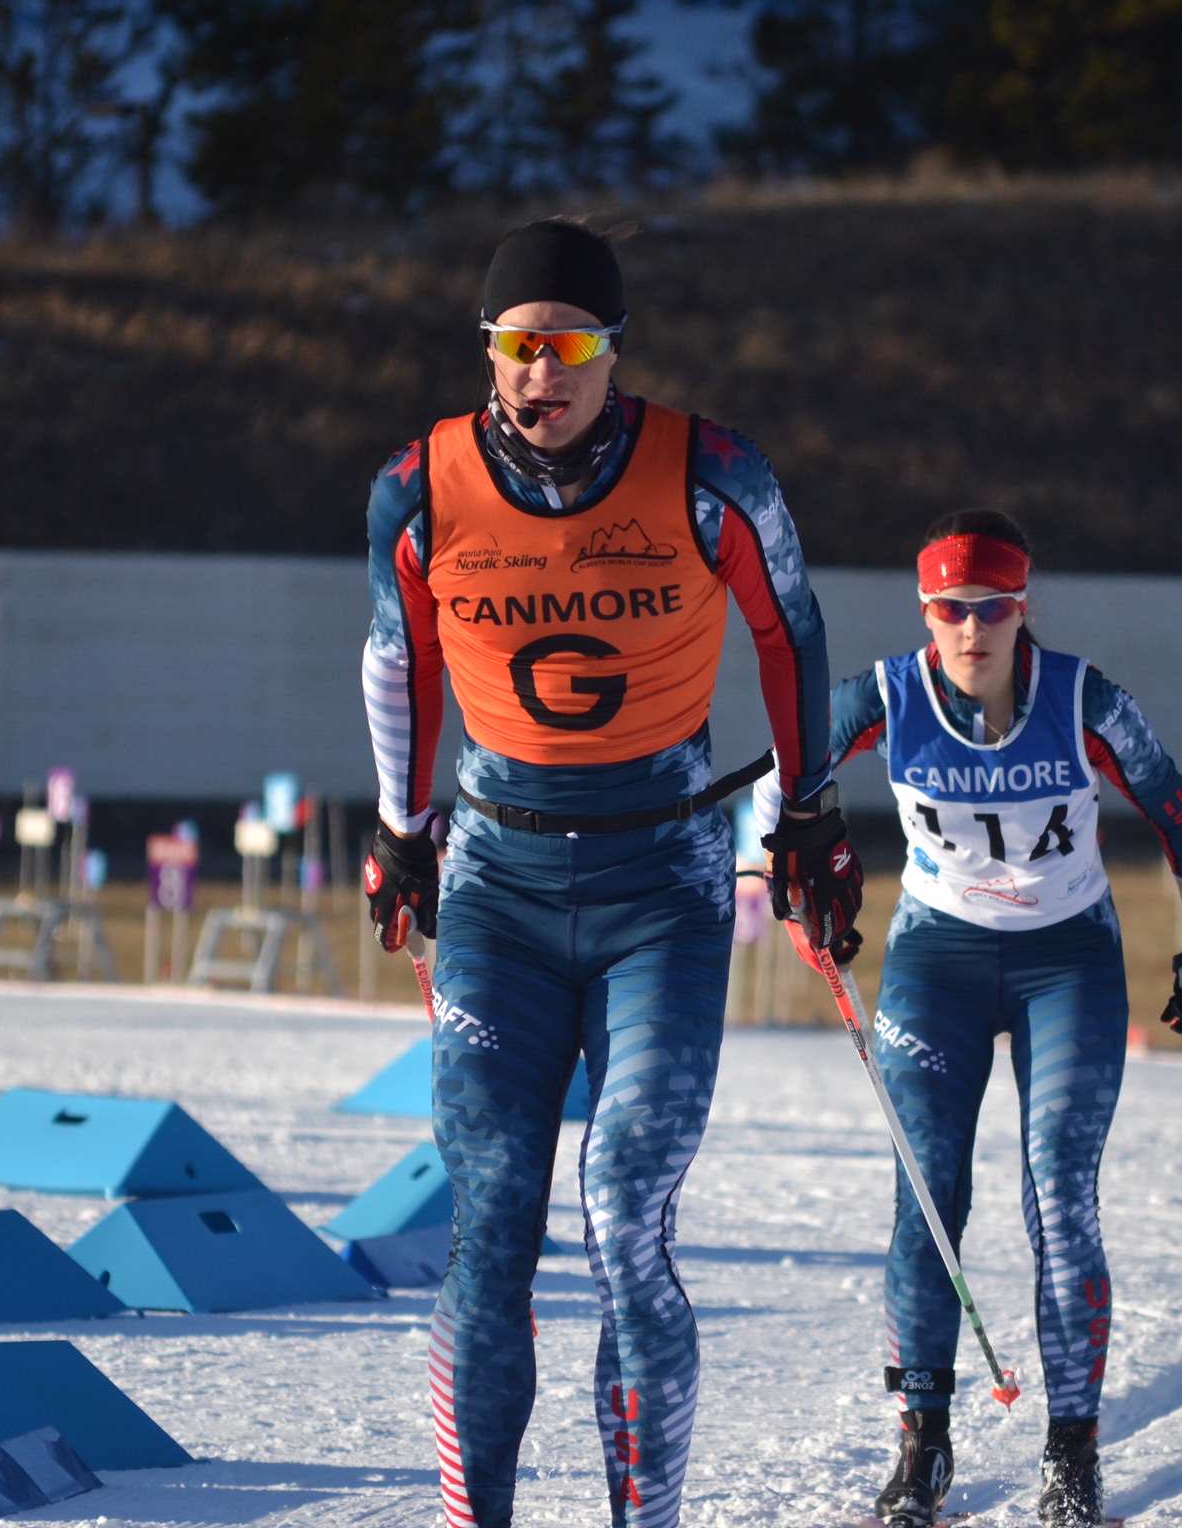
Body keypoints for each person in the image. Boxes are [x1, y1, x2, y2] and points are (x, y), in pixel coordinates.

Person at [358, 218, 865, 1528]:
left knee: (624, 1212)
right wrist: (401, 827)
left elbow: (788, 631)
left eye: (571, 346)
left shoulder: (714, 477)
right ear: (489, 351)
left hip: (665, 889)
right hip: (499, 891)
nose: (545, 374)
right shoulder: (422, 488)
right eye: (521, 346)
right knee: (492, 1227)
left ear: (612, 353)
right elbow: (398, 659)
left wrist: (808, 813)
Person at [753, 508, 1182, 1528]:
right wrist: (795, 870)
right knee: (927, 1195)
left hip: (1068, 963)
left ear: (1023, 609)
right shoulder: (887, 694)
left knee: (1059, 1195)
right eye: (948, 609)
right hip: (940, 960)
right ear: (925, 610)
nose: (969, 630)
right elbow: (776, 785)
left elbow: (1181, 818)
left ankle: (1072, 1447)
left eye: (992, 609)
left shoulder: (1081, 699)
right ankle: (922, 1445)